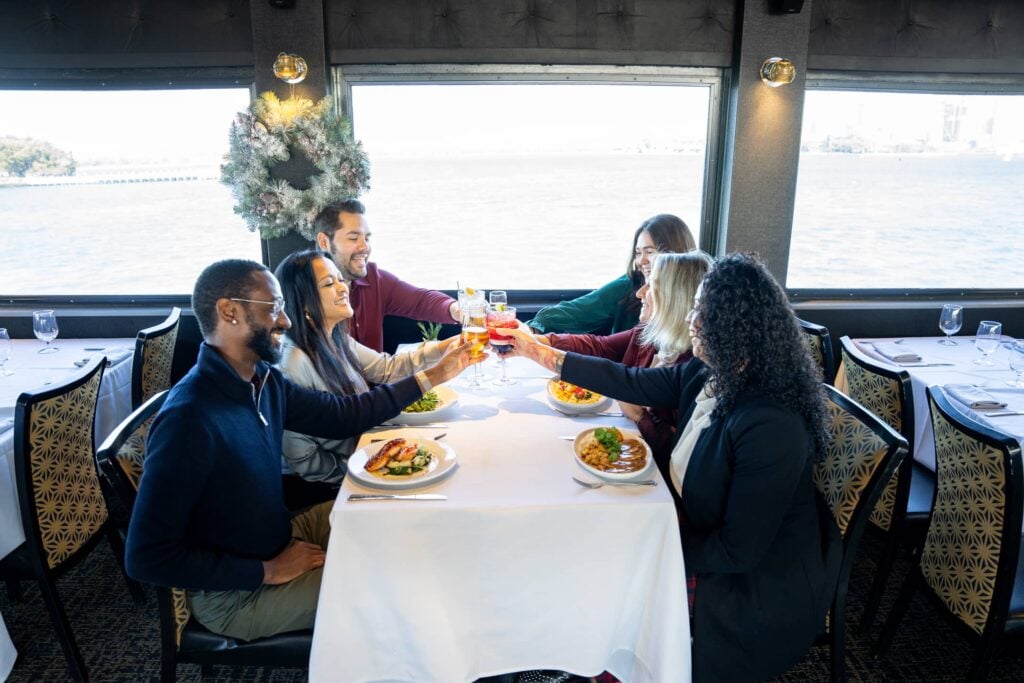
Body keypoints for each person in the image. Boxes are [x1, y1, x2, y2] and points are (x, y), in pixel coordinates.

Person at [510, 253, 841, 682]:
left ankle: (597, 665)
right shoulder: (710, 372)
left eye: (703, 311)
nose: (692, 318)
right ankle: (574, 652)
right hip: (696, 530)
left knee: (599, 560)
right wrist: (539, 353)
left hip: (749, 590)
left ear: (737, 326)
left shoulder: (770, 426)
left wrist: (645, 544)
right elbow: (627, 382)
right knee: (586, 541)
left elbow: (736, 553)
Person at [125, 259, 481, 641]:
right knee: (407, 587)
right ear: (229, 311)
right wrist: (266, 571)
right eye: (272, 308)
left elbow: (345, 416)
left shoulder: (262, 380)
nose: (286, 321)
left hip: (281, 536)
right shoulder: (189, 419)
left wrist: (435, 375)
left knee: (413, 514)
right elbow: (146, 557)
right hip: (238, 595)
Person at [275, 248, 461, 490]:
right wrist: (352, 473)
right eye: (329, 284)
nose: (343, 288)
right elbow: (302, 458)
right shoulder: (293, 364)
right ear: (304, 302)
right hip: (323, 486)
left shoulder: (335, 337)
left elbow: (387, 368)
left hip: (361, 454)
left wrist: (448, 347)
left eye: (341, 280)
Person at [522, 250, 713, 464]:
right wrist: (540, 341)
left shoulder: (692, 366)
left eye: (651, 286)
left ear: (673, 298)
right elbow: (600, 346)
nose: (640, 293)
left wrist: (642, 418)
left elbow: (682, 451)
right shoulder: (648, 332)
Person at [314, 200, 459, 351]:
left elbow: (420, 301)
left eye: (367, 238)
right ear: (324, 241)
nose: (365, 247)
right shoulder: (306, 292)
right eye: (353, 238)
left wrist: (457, 309)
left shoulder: (374, 279)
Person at [526, 213, 696, 335]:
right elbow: (577, 310)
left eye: (649, 252)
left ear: (674, 254)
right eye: (638, 253)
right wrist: (531, 329)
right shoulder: (628, 286)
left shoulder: (696, 304)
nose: (641, 261)